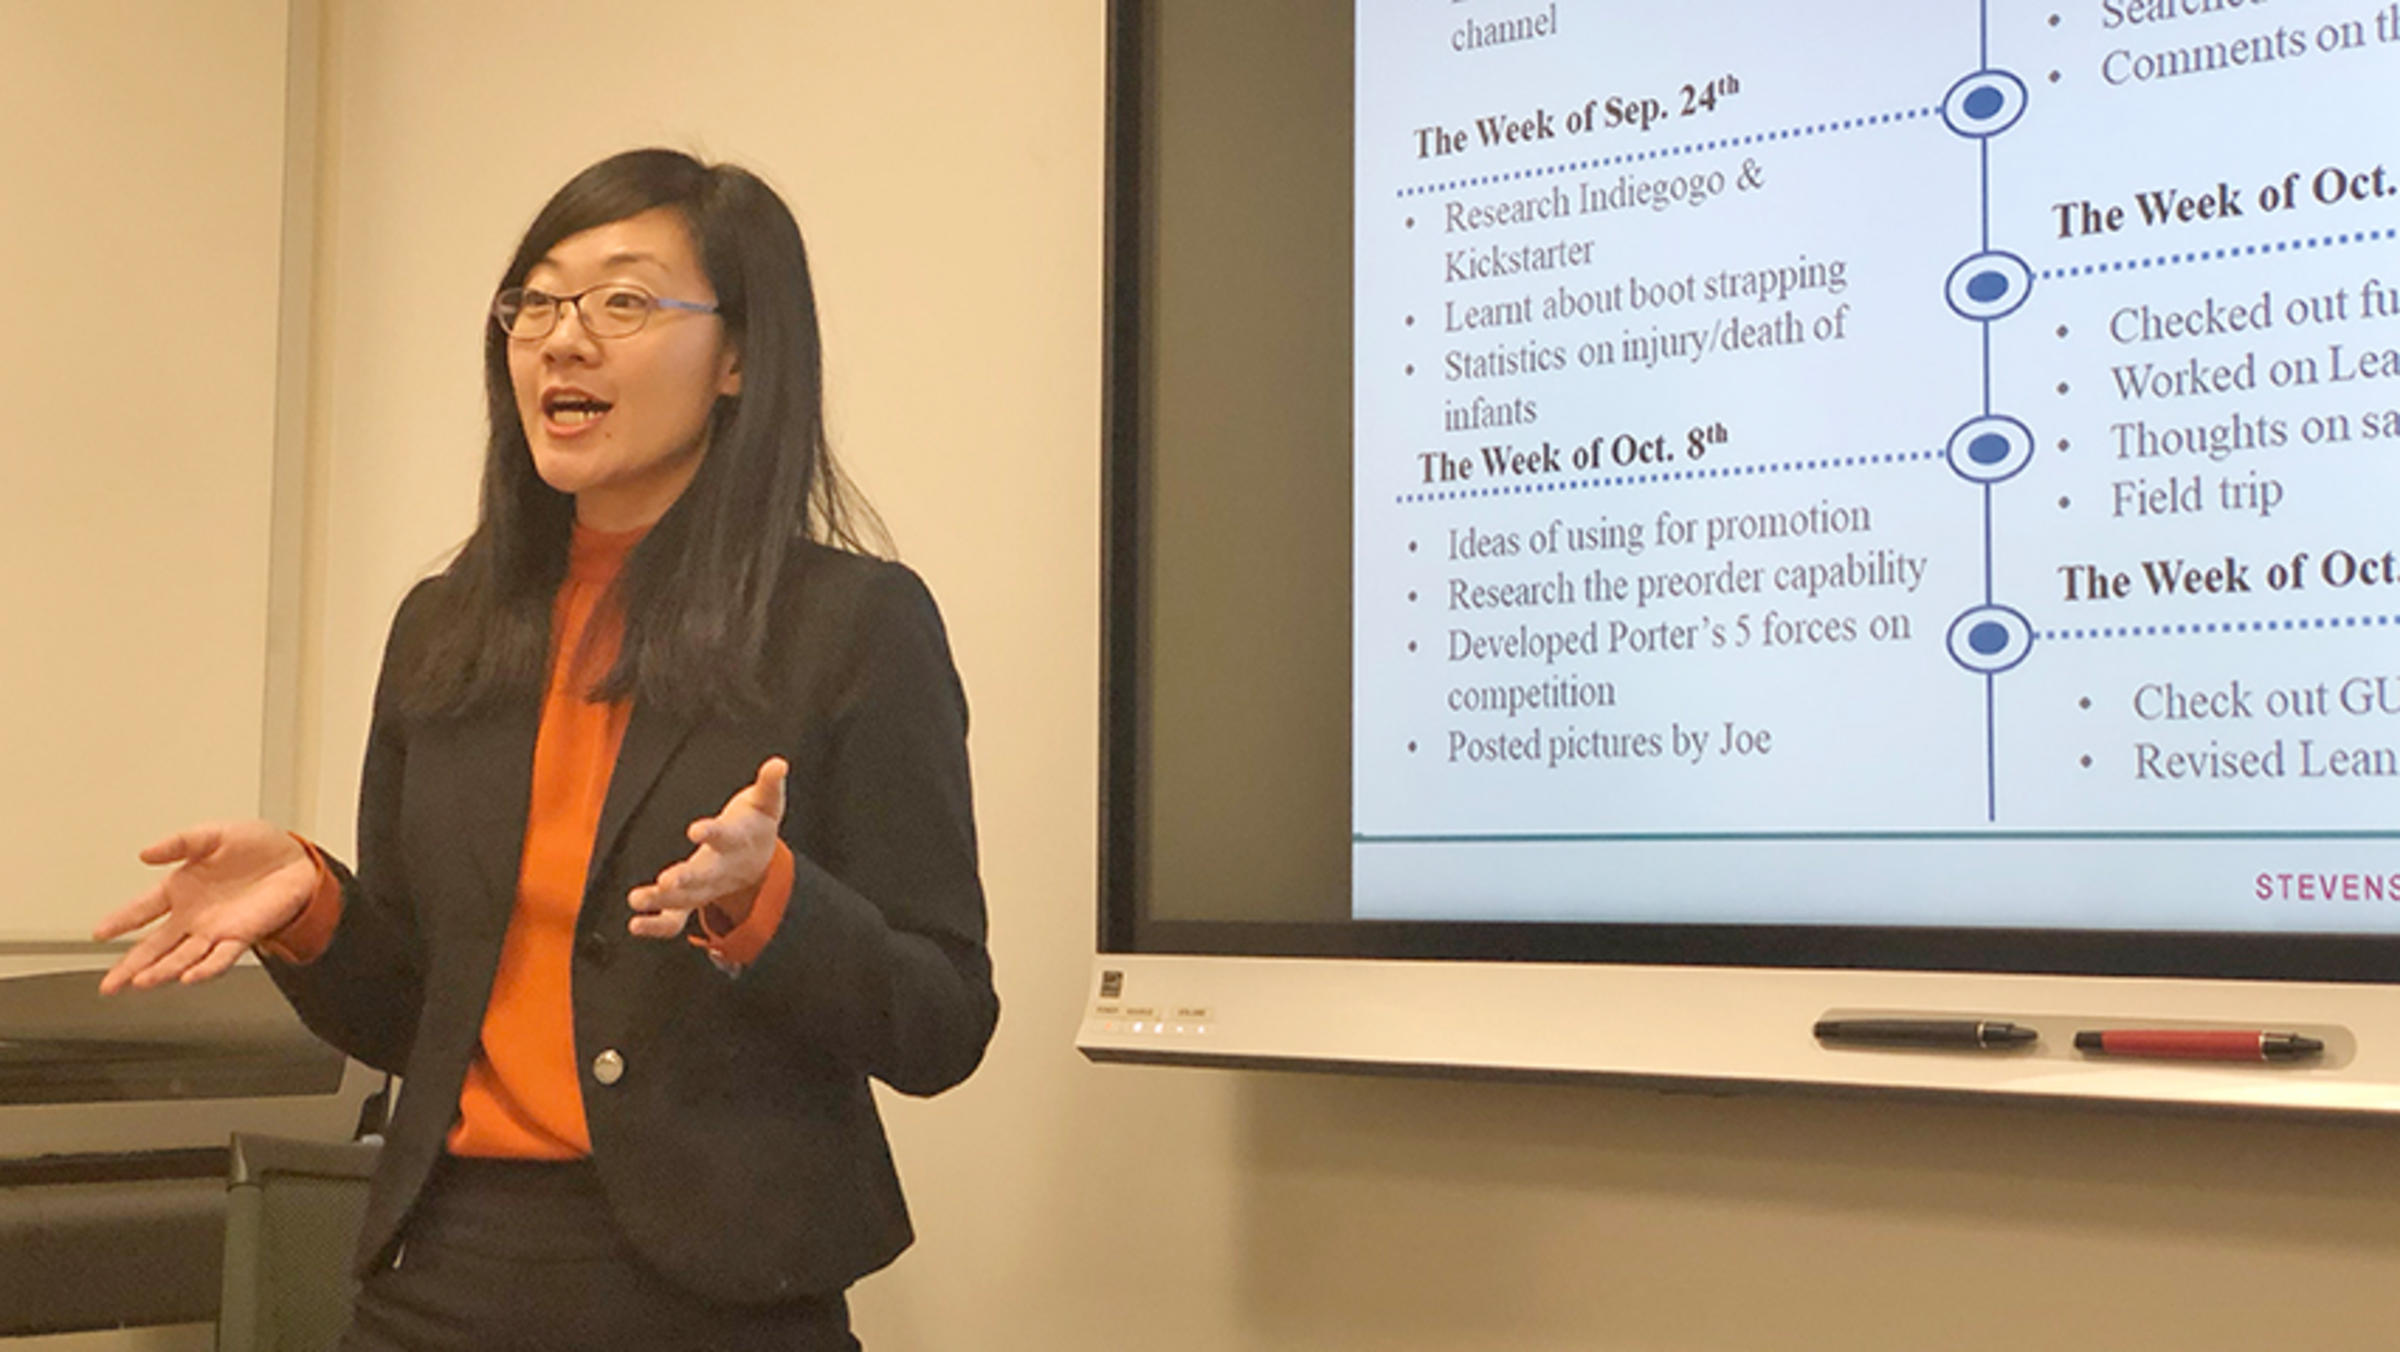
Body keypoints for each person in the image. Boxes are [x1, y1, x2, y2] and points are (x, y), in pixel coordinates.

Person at [92, 148, 998, 1351]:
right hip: (443, 1271)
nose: (562, 340)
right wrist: (311, 905)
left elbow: (943, 1020)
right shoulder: (448, 623)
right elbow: (418, 1004)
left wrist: (770, 902)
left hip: (720, 1297)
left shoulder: (850, 623)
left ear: (738, 358)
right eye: (537, 300)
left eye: (624, 301)